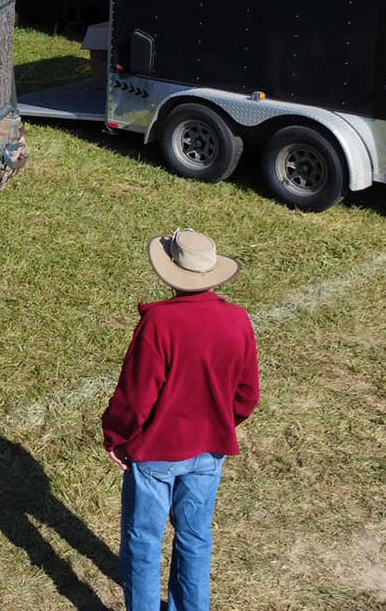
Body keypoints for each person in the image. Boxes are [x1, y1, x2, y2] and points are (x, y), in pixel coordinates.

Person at [102, 229, 259, 611]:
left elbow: (136, 399)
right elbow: (247, 396)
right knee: (195, 537)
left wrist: (117, 438)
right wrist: (218, 422)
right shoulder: (238, 320)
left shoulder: (159, 324)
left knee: (143, 540)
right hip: (210, 451)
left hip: (155, 453)